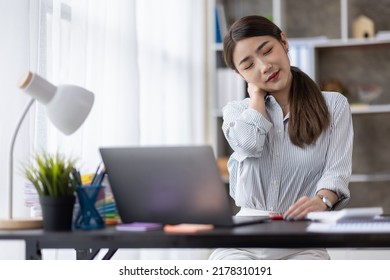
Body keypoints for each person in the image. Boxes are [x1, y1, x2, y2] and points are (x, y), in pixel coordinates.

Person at [209, 15, 353, 260]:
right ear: (240, 75)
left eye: (267, 51)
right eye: (248, 65)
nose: (264, 67)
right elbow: (249, 145)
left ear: (283, 42)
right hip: (243, 240)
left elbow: (336, 171)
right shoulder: (236, 112)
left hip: (302, 240)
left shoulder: (333, 105)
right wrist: (256, 98)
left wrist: (322, 201)